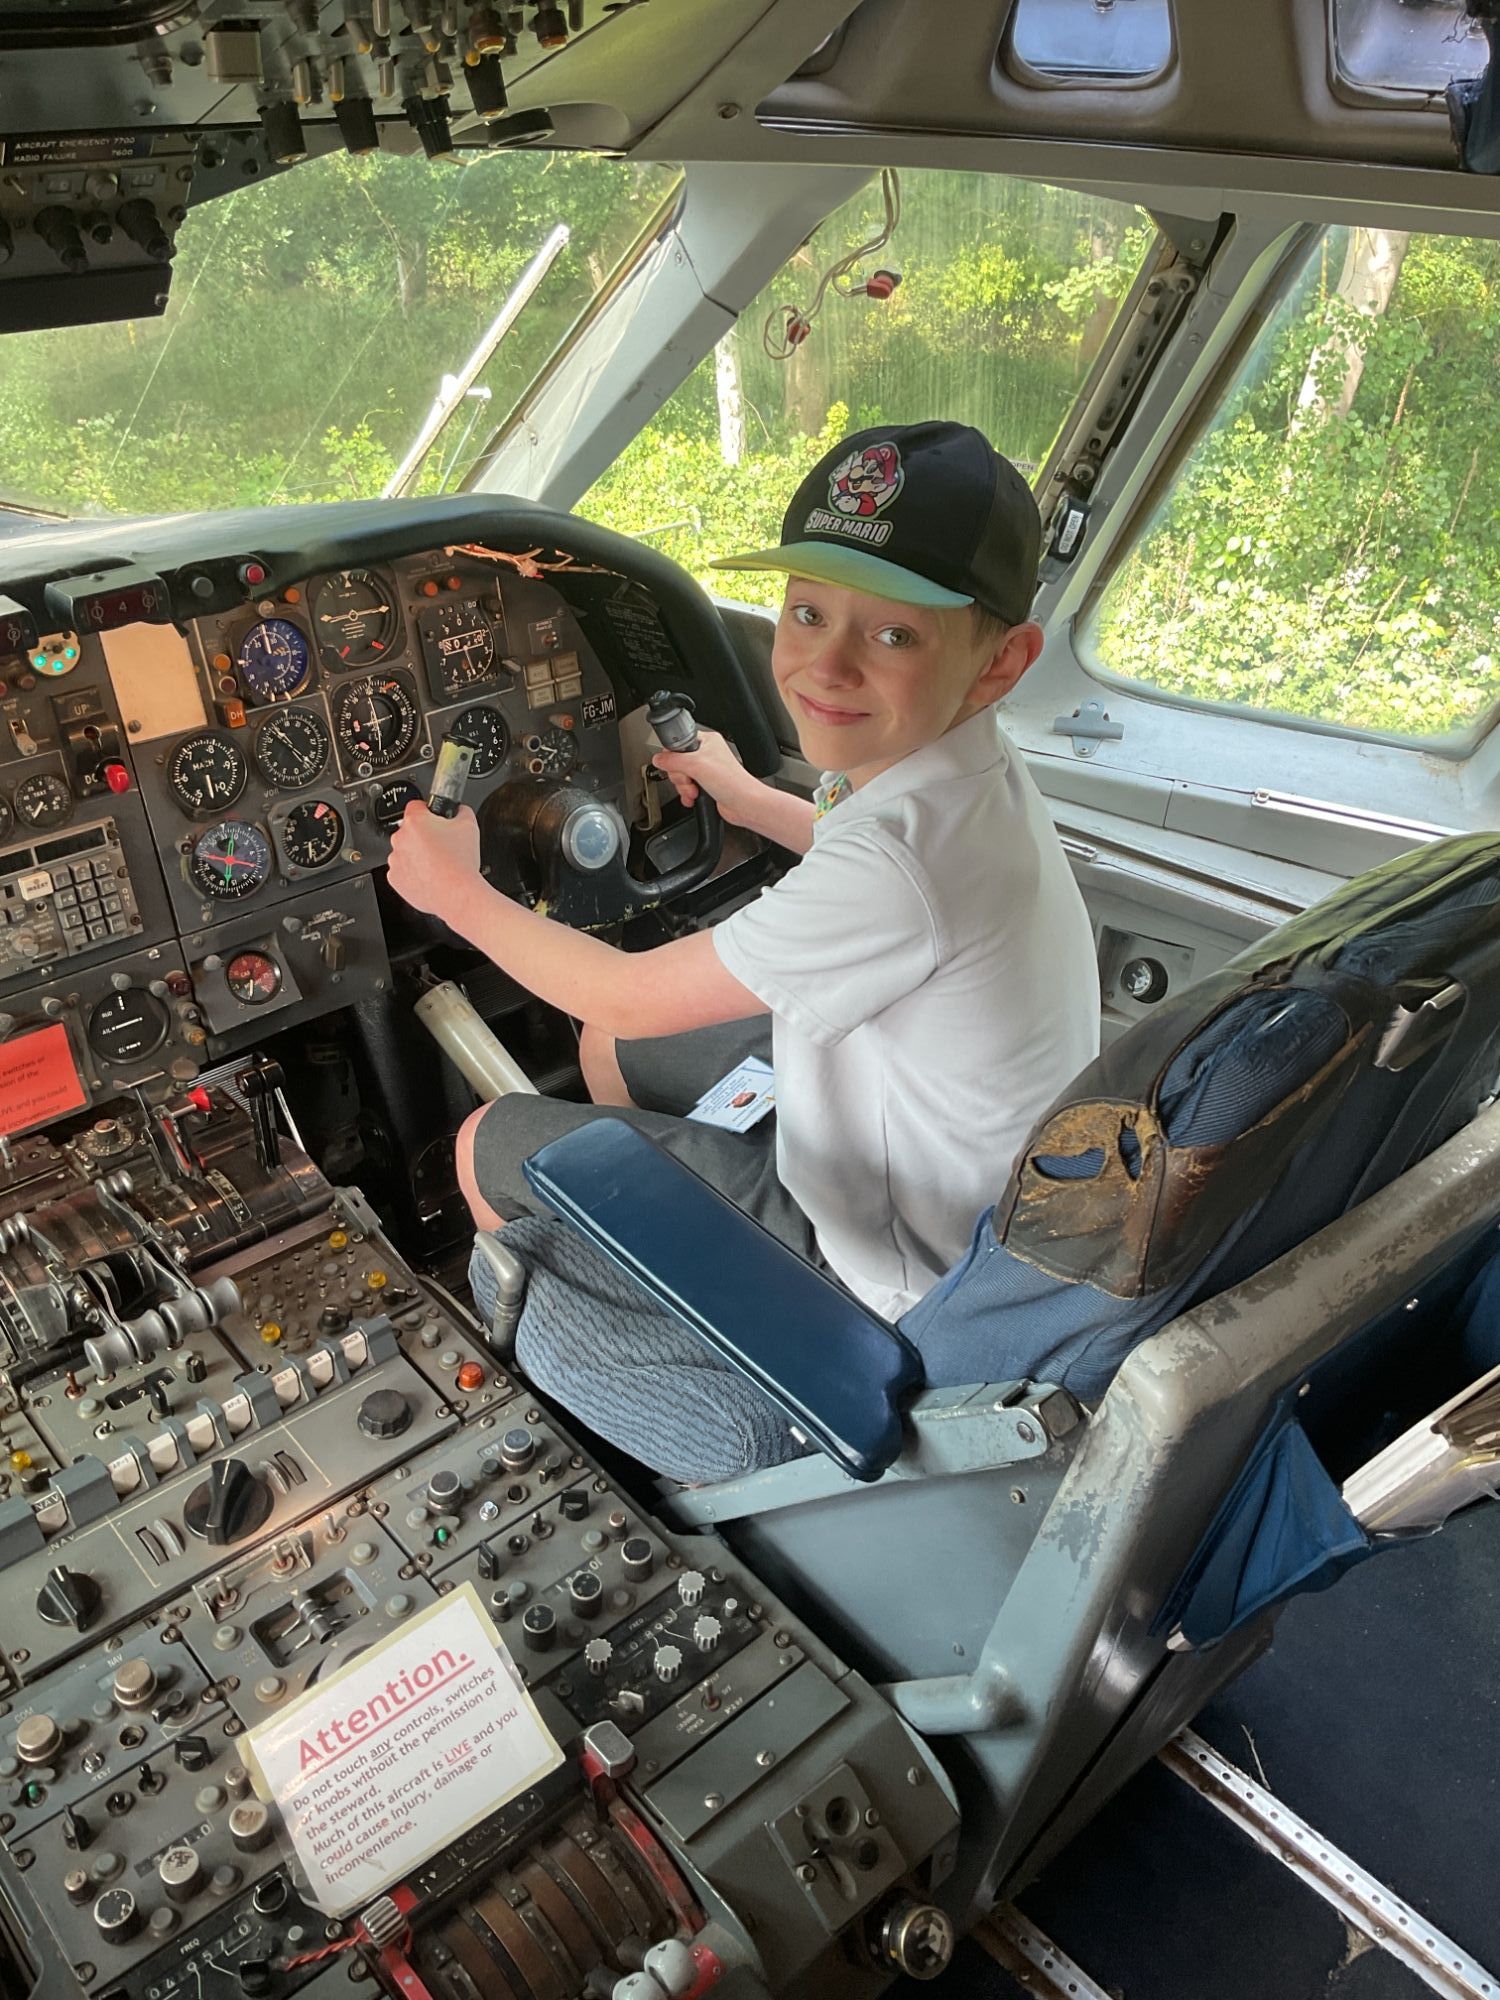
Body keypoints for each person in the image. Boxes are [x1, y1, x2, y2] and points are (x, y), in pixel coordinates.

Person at [386, 419, 1100, 1479]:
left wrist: (456, 891)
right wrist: (752, 799)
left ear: (1002, 662)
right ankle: (676, 1289)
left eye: (892, 636)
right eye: (807, 611)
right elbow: (872, 870)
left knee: (485, 1139)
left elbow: (627, 987)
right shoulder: (962, 779)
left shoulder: (897, 864)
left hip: (894, 1272)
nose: (825, 663)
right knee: (608, 1054)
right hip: (957, 1194)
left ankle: (624, 1402)